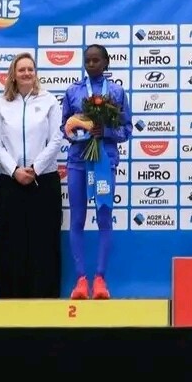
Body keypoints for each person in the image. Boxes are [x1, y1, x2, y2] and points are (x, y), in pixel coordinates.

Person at [0, 53, 63, 300]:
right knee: (11, 242)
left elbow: (56, 139)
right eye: (21, 69)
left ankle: (45, 298)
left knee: (44, 241)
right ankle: (11, 299)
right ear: (13, 74)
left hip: (44, 179)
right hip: (11, 181)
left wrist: (35, 168)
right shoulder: (1, 104)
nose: (26, 73)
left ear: (35, 73)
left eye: (30, 69)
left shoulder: (49, 100)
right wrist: (14, 170)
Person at [62, 44, 132, 300]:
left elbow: (126, 130)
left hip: (104, 161)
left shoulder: (116, 92)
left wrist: (106, 132)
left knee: (104, 217)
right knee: (77, 219)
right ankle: (81, 280)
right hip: (77, 161)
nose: (91, 64)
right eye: (87, 60)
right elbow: (64, 128)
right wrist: (83, 133)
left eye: (96, 60)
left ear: (106, 63)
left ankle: (100, 279)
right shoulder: (72, 91)